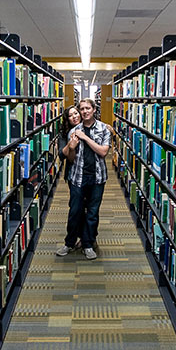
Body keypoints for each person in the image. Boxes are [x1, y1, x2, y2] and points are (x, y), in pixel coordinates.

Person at [57, 98, 111, 260]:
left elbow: (103, 152)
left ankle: (88, 244)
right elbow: (71, 159)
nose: (85, 111)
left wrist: (85, 138)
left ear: (94, 109)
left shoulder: (103, 129)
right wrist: (71, 147)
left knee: (92, 213)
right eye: (82, 109)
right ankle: (69, 242)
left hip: (97, 177)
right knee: (75, 211)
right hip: (77, 177)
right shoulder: (72, 132)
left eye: (88, 108)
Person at [59, 105, 81, 182]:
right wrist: (70, 143)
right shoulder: (64, 133)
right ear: (67, 119)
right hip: (72, 171)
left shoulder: (87, 126)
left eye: (76, 113)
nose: (74, 117)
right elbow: (61, 155)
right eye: (70, 116)